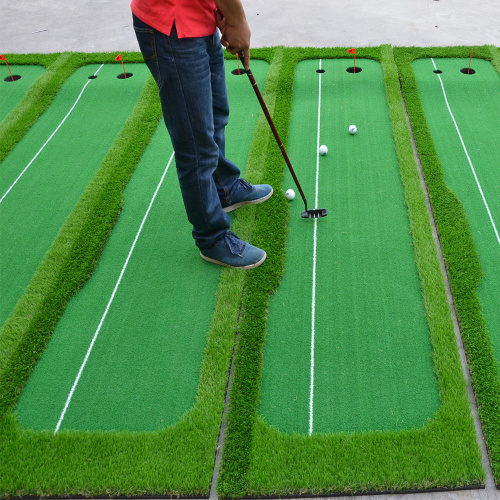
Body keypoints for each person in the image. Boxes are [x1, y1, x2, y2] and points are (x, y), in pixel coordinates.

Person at [131, 0, 272, 270]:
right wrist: (238, 21)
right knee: (195, 144)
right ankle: (212, 238)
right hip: (171, 26)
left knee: (216, 114)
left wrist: (225, 14)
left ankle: (224, 190)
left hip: (198, 15)